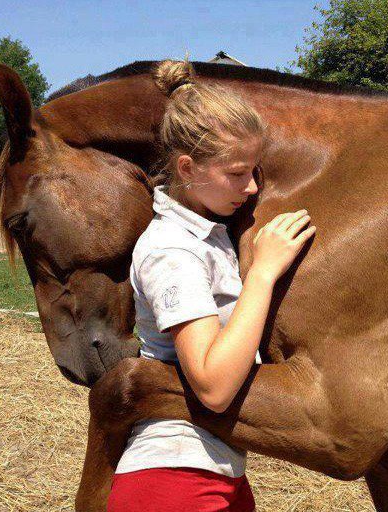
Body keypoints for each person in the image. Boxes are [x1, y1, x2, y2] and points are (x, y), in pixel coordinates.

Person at [107, 59, 316, 512]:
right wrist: (262, 273)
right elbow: (213, 386)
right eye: (238, 173)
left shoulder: (205, 231)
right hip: (172, 481)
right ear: (187, 168)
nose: (253, 187)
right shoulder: (172, 251)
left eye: (255, 171)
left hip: (212, 470)